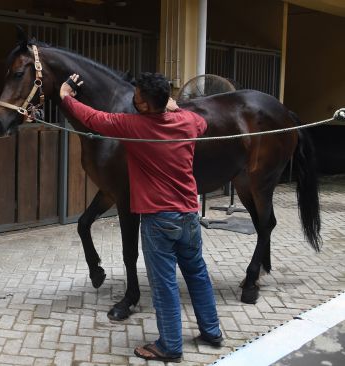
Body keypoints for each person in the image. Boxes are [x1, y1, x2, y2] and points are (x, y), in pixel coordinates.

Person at [59, 72, 223, 363]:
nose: (132, 101)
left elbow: (94, 119)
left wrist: (65, 97)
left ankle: (170, 347)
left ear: (145, 106)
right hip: (188, 215)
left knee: (164, 285)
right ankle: (212, 332)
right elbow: (203, 122)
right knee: (197, 273)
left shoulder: (133, 126)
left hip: (159, 221)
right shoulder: (188, 122)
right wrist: (177, 109)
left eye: (136, 98)